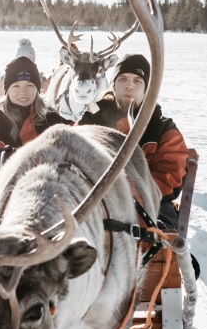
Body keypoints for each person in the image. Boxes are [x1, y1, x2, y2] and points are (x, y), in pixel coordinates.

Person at [79, 53, 189, 231]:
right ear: (113, 85)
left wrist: (128, 194)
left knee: (158, 229)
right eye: (122, 79)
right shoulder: (91, 119)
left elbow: (170, 176)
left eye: (137, 81)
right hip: (94, 202)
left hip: (150, 205)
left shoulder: (162, 129)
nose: (129, 85)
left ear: (147, 89)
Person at [0, 55, 67, 212]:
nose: (23, 92)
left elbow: (84, 144)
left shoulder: (55, 123)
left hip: (53, 206)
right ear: (7, 90)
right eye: (16, 86)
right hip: (4, 213)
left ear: (38, 89)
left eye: (30, 85)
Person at [0, 38, 49, 106]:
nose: (25, 63)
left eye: (29, 60)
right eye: (22, 59)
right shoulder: (4, 80)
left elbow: (49, 102)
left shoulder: (43, 81)